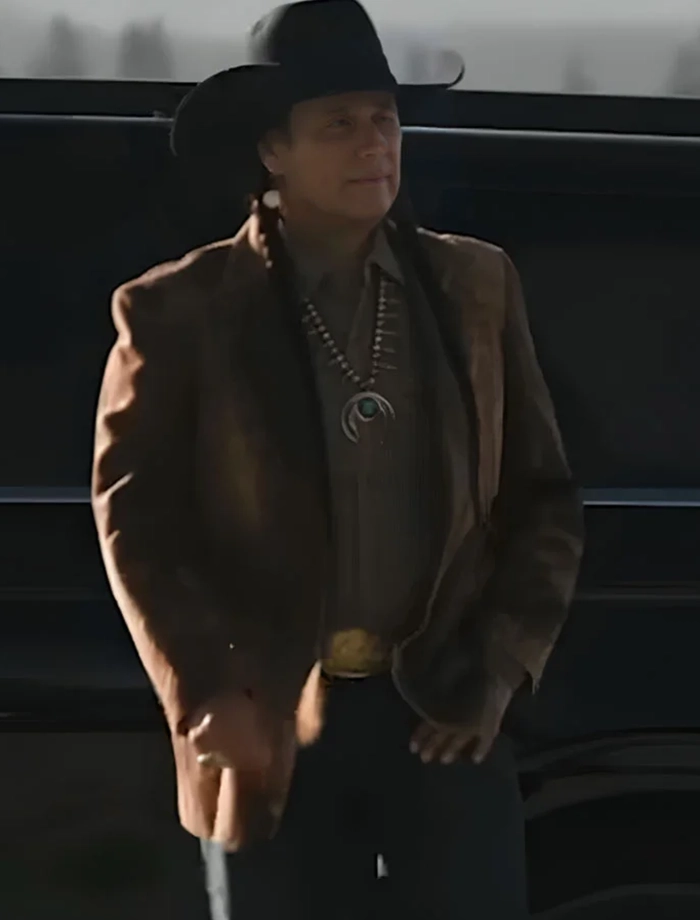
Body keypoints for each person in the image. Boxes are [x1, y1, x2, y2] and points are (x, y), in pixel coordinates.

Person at [91, 1, 584, 917]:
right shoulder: (179, 311)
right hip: (270, 724)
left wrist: (495, 673)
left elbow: (542, 499)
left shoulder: (474, 285)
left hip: (440, 713)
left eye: (385, 120)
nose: (374, 145)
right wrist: (209, 689)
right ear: (272, 151)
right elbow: (138, 526)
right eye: (340, 124)